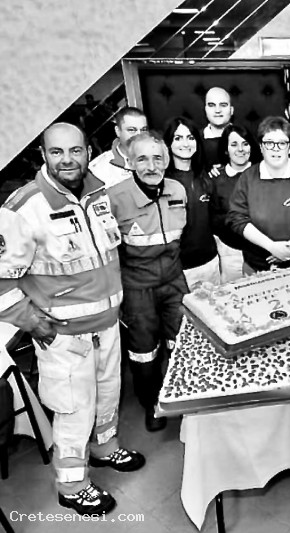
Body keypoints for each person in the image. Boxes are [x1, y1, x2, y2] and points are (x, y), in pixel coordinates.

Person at [0, 123, 144, 515]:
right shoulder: (23, 208)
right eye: (57, 151)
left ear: (88, 151)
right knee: (73, 411)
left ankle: (105, 448)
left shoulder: (99, 192)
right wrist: (31, 321)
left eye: (75, 150)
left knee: (108, 394)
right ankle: (72, 485)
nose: (68, 160)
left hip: (107, 325)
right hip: (62, 336)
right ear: (43, 154)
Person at [106, 131, 188, 433]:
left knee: (183, 343)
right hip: (137, 286)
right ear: (129, 162)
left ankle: (186, 398)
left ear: (166, 160)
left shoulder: (178, 189)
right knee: (144, 352)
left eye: (157, 158)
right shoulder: (114, 198)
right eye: (142, 159)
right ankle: (153, 404)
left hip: (174, 281)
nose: (151, 166)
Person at [228, 117, 290, 273]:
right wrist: (271, 247)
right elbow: (236, 218)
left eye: (282, 143)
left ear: (289, 148)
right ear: (261, 147)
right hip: (258, 267)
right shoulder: (247, 178)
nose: (275, 149)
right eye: (269, 143)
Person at [163, 117, 220, 287]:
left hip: (210, 261)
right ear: (168, 143)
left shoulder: (206, 177)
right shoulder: (163, 182)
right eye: (178, 138)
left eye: (190, 137)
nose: (185, 143)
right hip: (180, 268)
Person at [211, 125, 257, 282]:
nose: (240, 149)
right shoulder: (216, 179)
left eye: (245, 143)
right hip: (231, 253)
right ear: (226, 149)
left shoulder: (264, 173)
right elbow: (214, 219)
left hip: (262, 251)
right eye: (234, 144)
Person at [88, 106, 149, 187]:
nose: (139, 135)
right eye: (132, 130)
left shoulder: (158, 158)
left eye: (143, 130)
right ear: (118, 131)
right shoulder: (98, 170)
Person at [202, 87, 234, 170]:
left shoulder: (245, 138)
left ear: (231, 110)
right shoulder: (194, 140)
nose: (217, 110)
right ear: (205, 110)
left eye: (223, 105)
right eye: (211, 105)